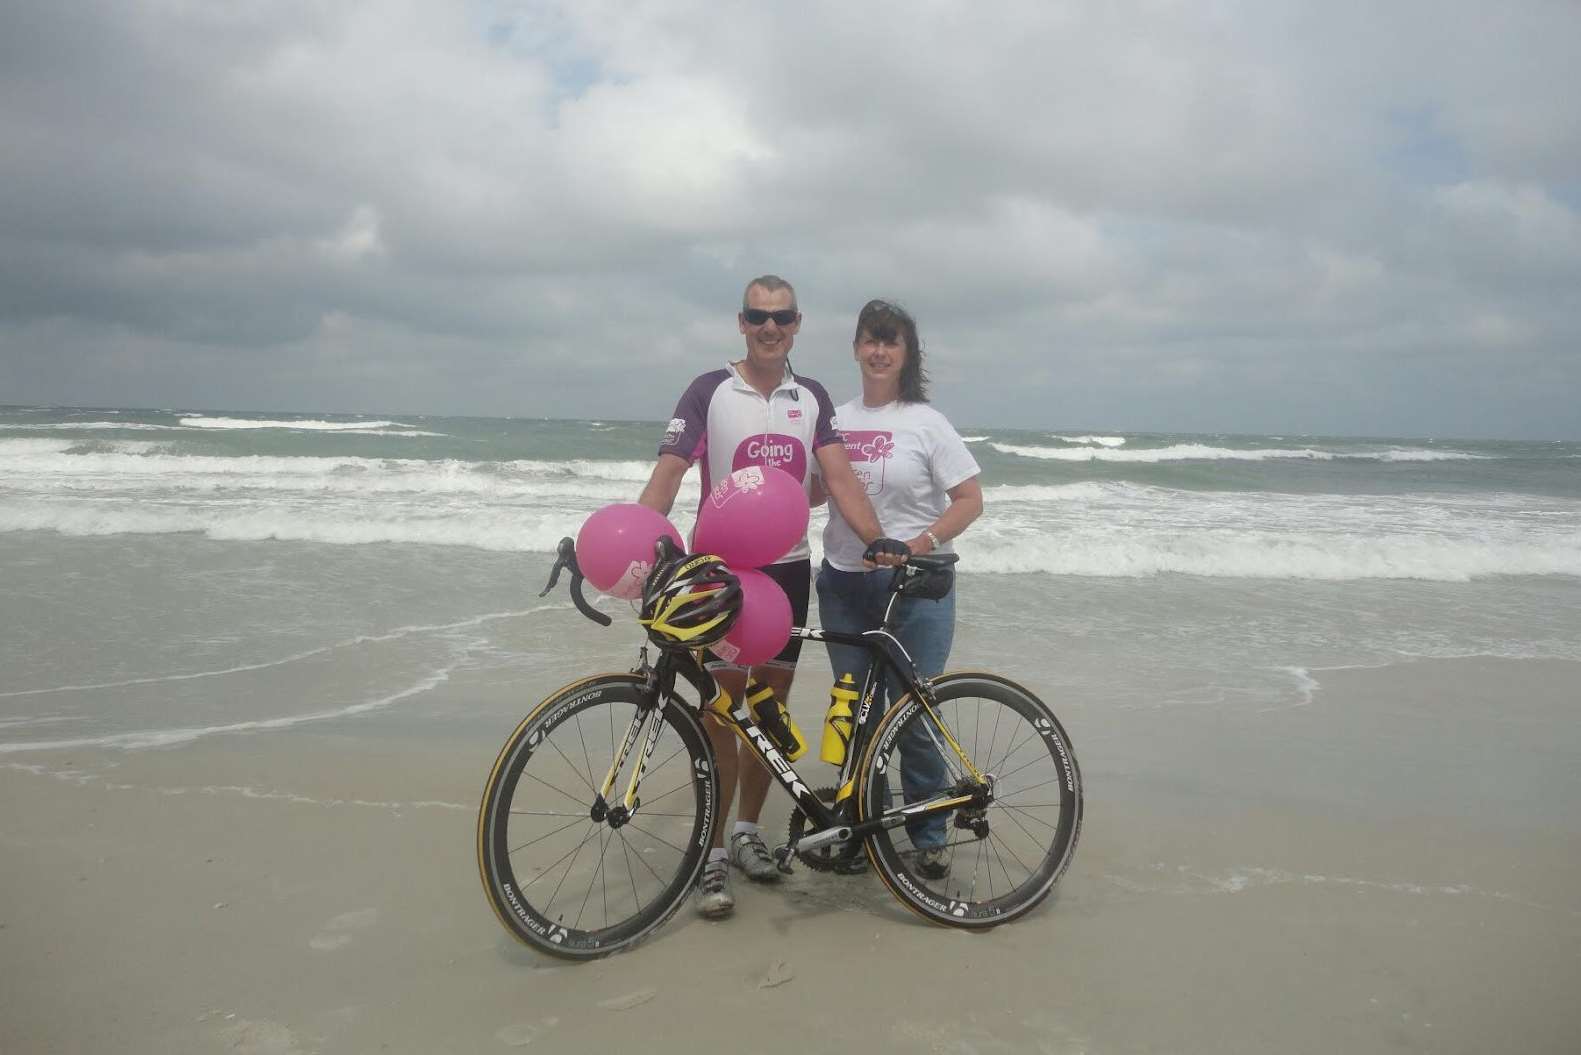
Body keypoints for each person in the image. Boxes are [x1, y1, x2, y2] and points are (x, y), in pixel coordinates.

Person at [637, 275, 900, 919]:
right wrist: (639, 546)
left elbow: (838, 478)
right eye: (758, 316)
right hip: (718, 577)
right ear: (741, 322)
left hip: (788, 576)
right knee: (720, 715)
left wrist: (880, 540)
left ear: (798, 324)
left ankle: (748, 834)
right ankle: (712, 851)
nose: (769, 327)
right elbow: (668, 474)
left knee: (768, 713)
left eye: (781, 318)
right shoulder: (709, 391)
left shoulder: (811, 398)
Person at [815, 299, 984, 880]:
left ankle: (929, 832)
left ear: (906, 353)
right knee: (853, 714)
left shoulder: (926, 422)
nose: (879, 351)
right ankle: (861, 829)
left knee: (910, 716)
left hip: (915, 589)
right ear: (855, 347)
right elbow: (818, 491)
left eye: (891, 341)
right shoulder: (833, 420)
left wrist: (921, 542)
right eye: (870, 340)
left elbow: (970, 499)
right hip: (842, 583)